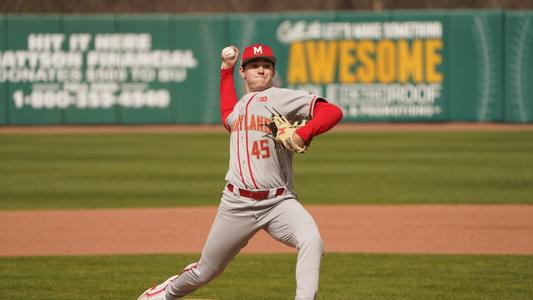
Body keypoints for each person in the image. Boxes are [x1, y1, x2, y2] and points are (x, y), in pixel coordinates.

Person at [138, 43, 343, 300]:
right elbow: (226, 115)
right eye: (254, 66)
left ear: (273, 72)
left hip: (279, 202)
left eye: (266, 66)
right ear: (243, 73)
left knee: (311, 240)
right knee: (206, 271)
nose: (261, 70)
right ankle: (164, 294)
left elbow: (332, 111)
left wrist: (303, 133)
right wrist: (226, 70)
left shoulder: (283, 97)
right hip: (236, 203)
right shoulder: (240, 107)